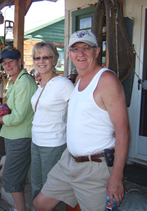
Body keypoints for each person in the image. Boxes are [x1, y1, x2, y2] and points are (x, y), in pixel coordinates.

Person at [33, 30, 130, 211]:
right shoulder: (78, 79)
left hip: (95, 168)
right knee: (40, 204)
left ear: (97, 51)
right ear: (69, 54)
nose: (80, 53)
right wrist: (43, 80)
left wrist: (116, 177)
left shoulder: (107, 80)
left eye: (86, 47)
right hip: (69, 161)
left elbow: (123, 132)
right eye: (75, 49)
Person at [0, 46, 38, 211]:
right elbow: (13, 109)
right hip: (13, 135)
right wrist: (0, 109)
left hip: (21, 137)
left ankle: (20, 209)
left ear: (20, 62)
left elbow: (18, 117)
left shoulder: (25, 83)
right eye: (5, 63)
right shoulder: (16, 81)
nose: (7, 66)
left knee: (10, 178)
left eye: (11, 62)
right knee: (16, 176)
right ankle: (17, 207)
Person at [30, 42, 74, 209]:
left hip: (54, 145)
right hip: (36, 143)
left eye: (46, 57)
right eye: (37, 58)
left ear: (54, 59)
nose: (41, 61)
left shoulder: (63, 84)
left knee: (53, 193)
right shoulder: (41, 84)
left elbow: (77, 112)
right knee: (36, 187)